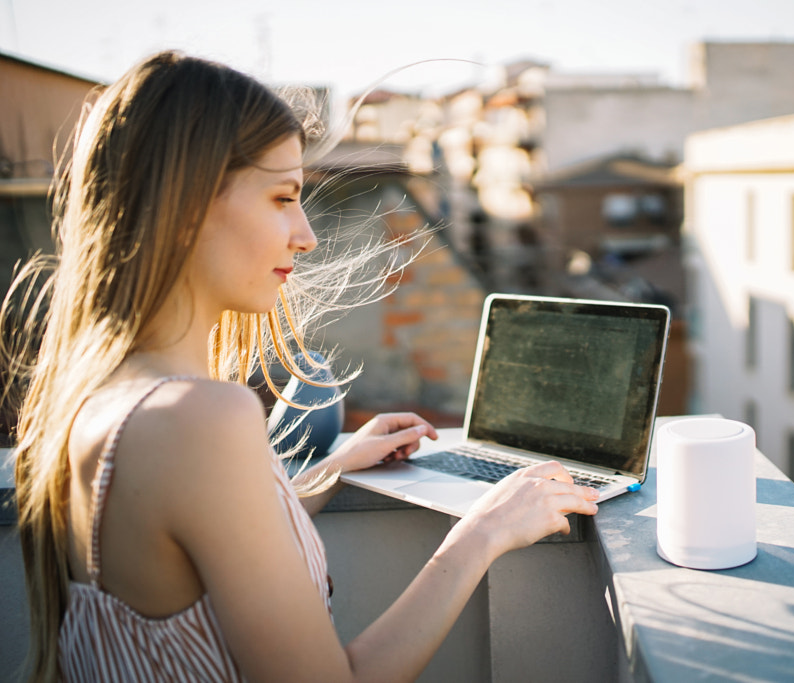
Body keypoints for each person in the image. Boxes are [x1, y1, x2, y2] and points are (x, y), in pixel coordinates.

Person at [2, 51, 599, 682]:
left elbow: (195, 554)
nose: (306, 234)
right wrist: (483, 531)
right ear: (185, 206)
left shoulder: (101, 396)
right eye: (283, 197)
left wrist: (328, 471)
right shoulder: (199, 417)